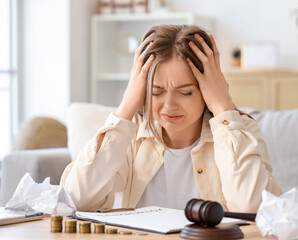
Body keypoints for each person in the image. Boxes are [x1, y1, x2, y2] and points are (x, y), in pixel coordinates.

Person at [60, 25, 282, 213]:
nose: (169, 106)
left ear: (208, 90)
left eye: (185, 92)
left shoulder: (240, 130)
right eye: (156, 92)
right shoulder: (131, 131)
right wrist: (126, 108)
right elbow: (76, 200)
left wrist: (223, 107)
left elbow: (254, 208)